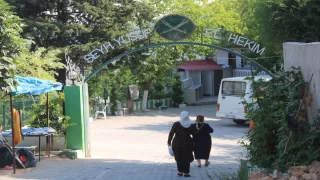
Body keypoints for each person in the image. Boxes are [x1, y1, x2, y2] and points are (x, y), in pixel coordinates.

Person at [168, 111, 195, 177]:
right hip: (187, 143)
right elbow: (194, 134)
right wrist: (194, 142)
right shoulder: (190, 125)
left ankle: (180, 172)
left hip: (177, 143)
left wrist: (169, 142)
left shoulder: (176, 124)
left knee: (178, 157)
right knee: (187, 158)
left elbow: (171, 133)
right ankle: (186, 172)